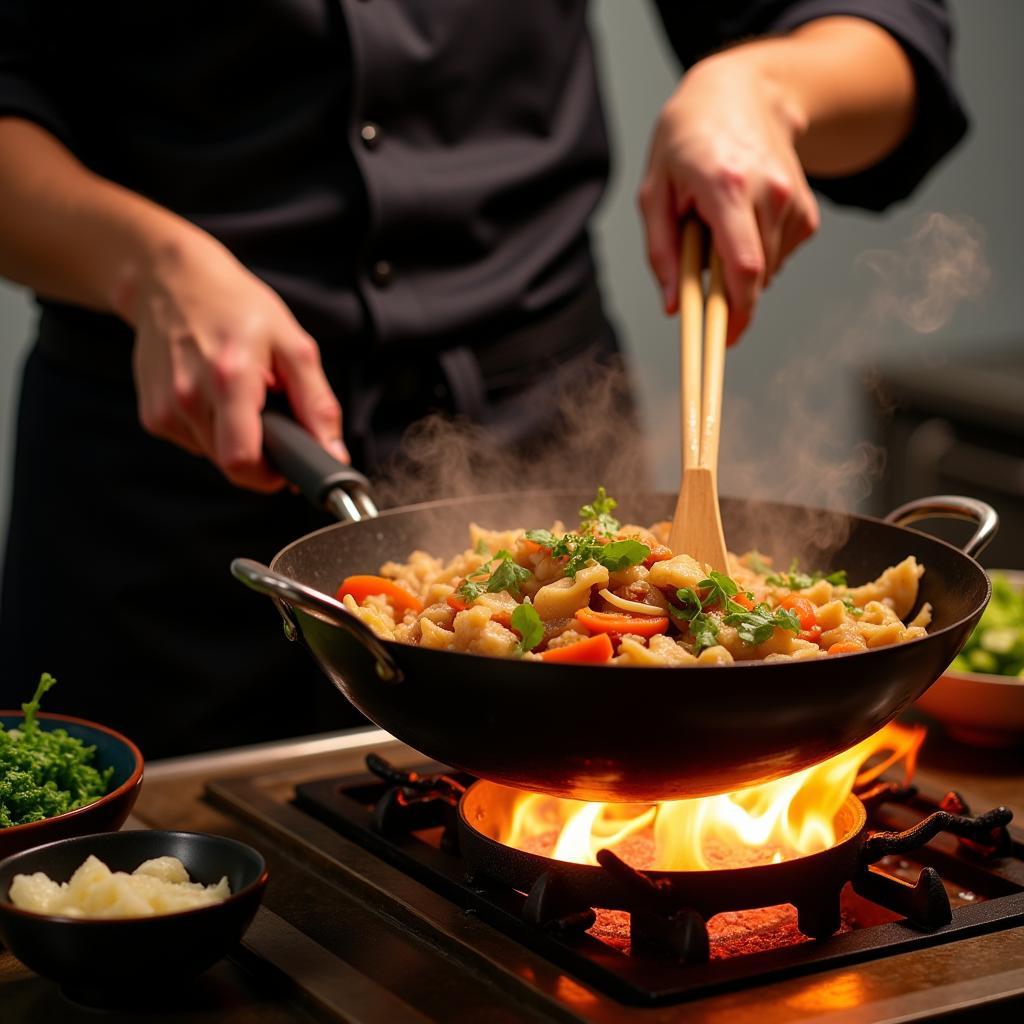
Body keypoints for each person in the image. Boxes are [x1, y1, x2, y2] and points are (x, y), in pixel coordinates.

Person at [0, 2, 965, 757]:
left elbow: (884, 37)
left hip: (545, 404)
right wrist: (142, 263)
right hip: (161, 479)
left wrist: (762, 87)